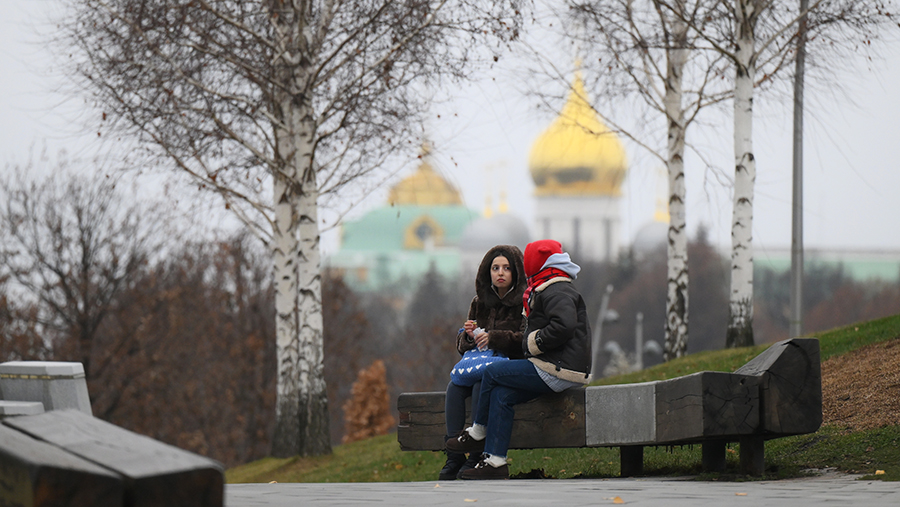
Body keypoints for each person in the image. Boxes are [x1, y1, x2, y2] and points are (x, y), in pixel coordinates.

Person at [446, 239, 591, 480]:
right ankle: (495, 462)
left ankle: (478, 431)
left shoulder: (556, 288)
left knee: (492, 373)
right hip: (553, 365)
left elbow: (563, 326)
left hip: (558, 367)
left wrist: (532, 343)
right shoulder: (546, 287)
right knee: (502, 396)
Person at [440, 244, 527, 480]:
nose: (500, 273)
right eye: (495, 268)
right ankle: (454, 454)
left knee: (482, 386)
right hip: (480, 364)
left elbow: (525, 340)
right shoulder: (479, 302)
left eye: (507, 268)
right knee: (454, 387)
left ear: (516, 272)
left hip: (507, 368)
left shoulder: (524, 301)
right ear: (487, 272)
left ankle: (476, 455)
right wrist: (468, 336)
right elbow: (463, 346)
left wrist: (494, 338)